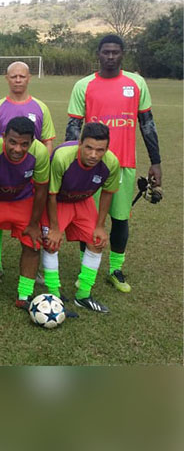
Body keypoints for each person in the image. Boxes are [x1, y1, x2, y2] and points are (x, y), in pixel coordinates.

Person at [66, 34, 162, 293]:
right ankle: (87, 270)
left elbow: (147, 124)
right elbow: (74, 127)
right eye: (106, 52)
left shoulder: (136, 83)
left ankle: (115, 270)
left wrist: (156, 162)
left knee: (120, 219)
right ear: (98, 54)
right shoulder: (83, 85)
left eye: (115, 52)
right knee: (88, 219)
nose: (110, 56)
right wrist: (69, 163)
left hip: (124, 164)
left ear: (122, 54)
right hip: (90, 164)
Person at [0, 61, 55, 282]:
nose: (18, 80)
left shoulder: (41, 107)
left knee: (35, 222)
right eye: (13, 76)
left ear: (29, 78)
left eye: (22, 76)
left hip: (30, 176)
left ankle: (34, 268)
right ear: (7, 78)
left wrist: (40, 168)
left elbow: (47, 141)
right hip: (0, 177)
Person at [0, 116, 50, 312]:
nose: (17, 149)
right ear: (4, 137)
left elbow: (41, 189)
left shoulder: (40, 153)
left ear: (33, 142)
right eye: (12, 142)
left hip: (21, 199)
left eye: (24, 144)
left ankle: (24, 295)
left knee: (32, 243)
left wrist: (33, 224)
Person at [42, 123, 120, 314]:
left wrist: (100, 226)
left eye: (100, 150)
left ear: (107, 149)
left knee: (97, 240)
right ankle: (54, 294)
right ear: (80, 143)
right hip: (58, 200)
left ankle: (83, 295)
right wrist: (54, 227)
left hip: (83, 201)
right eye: (89, 148)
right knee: (51, 242)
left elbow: (107, 193)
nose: (94, 155)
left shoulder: (111, 163)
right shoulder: (62, 157)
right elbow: (50, 194)